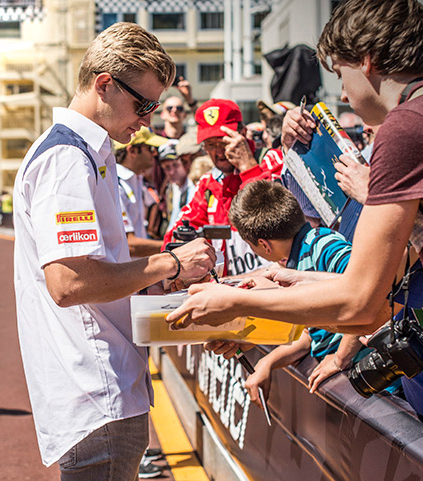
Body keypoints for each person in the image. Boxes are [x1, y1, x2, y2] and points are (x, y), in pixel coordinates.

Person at [167, 0, 423, 414]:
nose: (341, 92)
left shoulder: (406, 127)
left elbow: (361, 303)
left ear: (368, 60)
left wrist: (237, 305)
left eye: (340, 74)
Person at [12, 22, 217, 479]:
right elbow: (69, 283)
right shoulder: (66, 157)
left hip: (100, 382)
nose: (147, 119)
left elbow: (101, 262)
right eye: (142, 104)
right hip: (95, 386)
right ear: (104, 84)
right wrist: (169, 262)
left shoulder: (82, 152)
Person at [227, 181, 397, 407]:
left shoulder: (323, 245)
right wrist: (267, 362)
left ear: (264, 245)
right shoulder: (297, 260)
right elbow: (311, 334)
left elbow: (373, 293)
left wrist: (340, 358)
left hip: (382, 391)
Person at [163, 99, 283, 276]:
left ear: (242, 134)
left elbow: (272, 220)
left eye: (224, 142)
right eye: (211, 145)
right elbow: (176, 234)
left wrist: (248, 167)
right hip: (229, 292)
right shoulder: (208, 183)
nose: (219, 153)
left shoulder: (271, 160)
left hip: (276, 289)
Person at [115, 127, 168, 258]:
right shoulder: (116, 183)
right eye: (150, 149)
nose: (154, 154)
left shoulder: (135, 178)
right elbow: (129, 244)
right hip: (124, 273)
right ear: (132, 151)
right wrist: (173, 246)